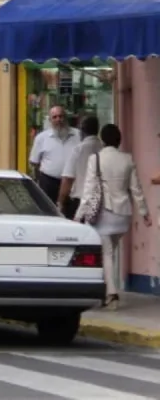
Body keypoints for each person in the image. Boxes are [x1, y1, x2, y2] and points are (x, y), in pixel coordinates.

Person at [75, 124, 151, 310]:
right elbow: (136, 189)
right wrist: (144, 213)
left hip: (104, 214)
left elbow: (89, 190)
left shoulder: (96, 159)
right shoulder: (127, 159)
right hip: (123, 214)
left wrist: (79, 216)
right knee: (110, 252)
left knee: (106, 253)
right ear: (119, 140)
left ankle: (112, 293)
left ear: (102, 140)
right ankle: (107, 289)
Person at [29, 105, 80, 204]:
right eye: (55, 117)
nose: (58, 120)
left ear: (65, 118)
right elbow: (34, 162)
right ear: (50, 120)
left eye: (61, 116)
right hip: (49, 183)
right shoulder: (41, 138)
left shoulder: (78, 135)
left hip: (73, 183)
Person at [57, 115, 102, 219]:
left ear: (82, 130)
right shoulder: (103, 148)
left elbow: (67, 179)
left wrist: (60, 202)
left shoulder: (78, 150)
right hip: (101, 203)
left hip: (80, 201)